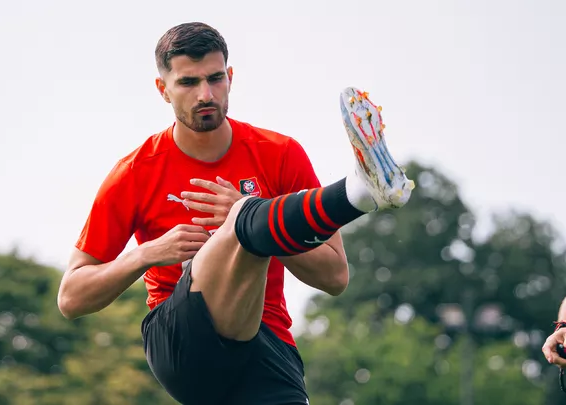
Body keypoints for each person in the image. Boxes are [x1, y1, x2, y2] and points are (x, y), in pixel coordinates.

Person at [57, 22, 415, 405]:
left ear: (230, 77)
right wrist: (146, 254)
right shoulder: (135, 172)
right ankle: (356, 192)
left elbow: (335, 277)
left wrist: (257, 228)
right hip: (182, 343)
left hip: (266, 345)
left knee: (246, 214)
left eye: (215, 79)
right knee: (246, 210)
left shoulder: (278, 154)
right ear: (163, 90)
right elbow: (71, 298)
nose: (205, 94)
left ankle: (332, 198)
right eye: (188, 83)